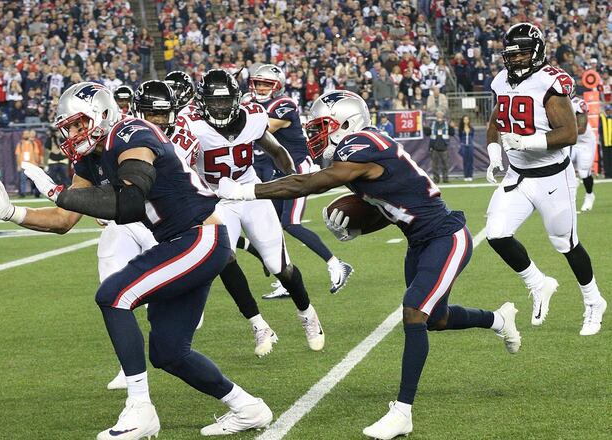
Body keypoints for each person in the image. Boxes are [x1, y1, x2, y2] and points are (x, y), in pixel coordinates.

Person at [0, 82, 272, 438]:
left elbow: (128, 202)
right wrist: (12, 213)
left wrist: (57, 192)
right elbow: (63, 221)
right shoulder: (91, 158)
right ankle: (248, 407)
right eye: (69, 128)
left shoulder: (131, 133)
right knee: (169, 352)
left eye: (79, 124)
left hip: (199, 236)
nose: (74, 134)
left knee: (113, 295)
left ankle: (140, 408)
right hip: (181, 241)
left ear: (103, 113)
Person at [216, 90, 521, 440]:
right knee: (435, 319)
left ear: (347, 123)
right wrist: (359, 228)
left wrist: (247, 192)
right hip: (419, 242)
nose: (314, 134)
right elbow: (391, 208)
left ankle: (402, 412)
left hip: (446, 236)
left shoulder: (360, 144)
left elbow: (311, 183)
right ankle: (499, 319)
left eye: (321, 127)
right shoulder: (359, 150)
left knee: (414, 311)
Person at [182, 69, 331, 350]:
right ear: (201, 102)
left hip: (251, 192)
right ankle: (259, 325)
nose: (220, 107)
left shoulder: (252, 116)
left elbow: (276, 150)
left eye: (225, 101)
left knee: (279, 266)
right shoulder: (189, 124)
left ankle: (307, 313)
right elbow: (181, 165)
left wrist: (292, 178)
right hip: (216, 199)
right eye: (214, 102)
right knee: (223, 259)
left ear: (236, 99)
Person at [485, 23, 606, 336]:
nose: (515, 59)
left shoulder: (549, 83)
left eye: (522, 53)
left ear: (537, 52)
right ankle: (538, 283)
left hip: (552, 176)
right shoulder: (501, 80)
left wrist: (526, 142)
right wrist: (495, 153)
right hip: (518, 175)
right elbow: (496, 121)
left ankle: (594, 301)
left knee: (566, 243)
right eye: (511, 54)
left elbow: (569, 133)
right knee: (496, 233)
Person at [248, 65, 353, 299]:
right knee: (273, 226)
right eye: (258, 83)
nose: (261, 88)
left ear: (277, 86)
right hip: (280, 173)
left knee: (291, 223)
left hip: (298, 170)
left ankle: (336, 264)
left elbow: (263, 129)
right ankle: (287, 280)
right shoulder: (255, 105)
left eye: (266, 84)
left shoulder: (284, 104)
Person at [569, 96, 598, 211]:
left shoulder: (578, 103)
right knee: (565, 169)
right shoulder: (554, 101)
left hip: (584, 142)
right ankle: (571, 191)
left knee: (583, 172)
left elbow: (582, 129)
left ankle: (589, 195)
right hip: (570, 140)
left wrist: (562, 131)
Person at [15, 130, 42, 197]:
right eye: (25, 134)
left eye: (27, 133)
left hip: (32, 164)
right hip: (23, 165)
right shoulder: (20, 144)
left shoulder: (33, 143)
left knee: (35, 180)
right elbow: (18, 155)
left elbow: (36, 153)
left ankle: (37, 193)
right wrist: (18, 165)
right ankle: (22, 193)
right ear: (23, 135)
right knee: (22, 180)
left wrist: (37, 162)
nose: (26, 135)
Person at [427, 111, 453, 183]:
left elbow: (452, 133)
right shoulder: (432, 124)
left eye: (440, 115)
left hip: (444, 147)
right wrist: (425, 127)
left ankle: (445, 179)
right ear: (436, 116)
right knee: (434, 166)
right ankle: (436, 179)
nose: (439, 116)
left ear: (443, 116)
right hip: (434, 148)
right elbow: (427, 133)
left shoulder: (446, 124)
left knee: (445, 165)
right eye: (438, 115)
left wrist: (451, 127)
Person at [457, 115, 475, 181]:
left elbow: (472, 136)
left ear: (469, 120)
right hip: (464, 146)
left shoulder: (471, 128)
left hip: (470, 146)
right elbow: (460, 137)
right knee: (465, 161)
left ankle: (470, 175)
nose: (466, 120)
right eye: (465, 119)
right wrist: (462, 144)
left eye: (467, 119)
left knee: (470, 161)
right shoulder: (461, 129)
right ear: (463, 120)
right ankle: (466, 176)